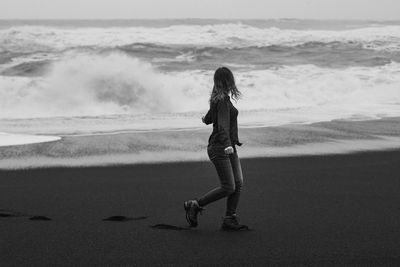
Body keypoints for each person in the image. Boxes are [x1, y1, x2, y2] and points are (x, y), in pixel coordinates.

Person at [184, 67, 248, 231]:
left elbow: (212, 118)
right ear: (228, 80)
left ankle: (229, 218)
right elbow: (223, 126)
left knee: (238, 183)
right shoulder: (221, 101)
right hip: (221, 147)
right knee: (229, 186)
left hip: (228, 146)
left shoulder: (219, 99)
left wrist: (206, 119)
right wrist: (227, 144)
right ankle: (195, 205)